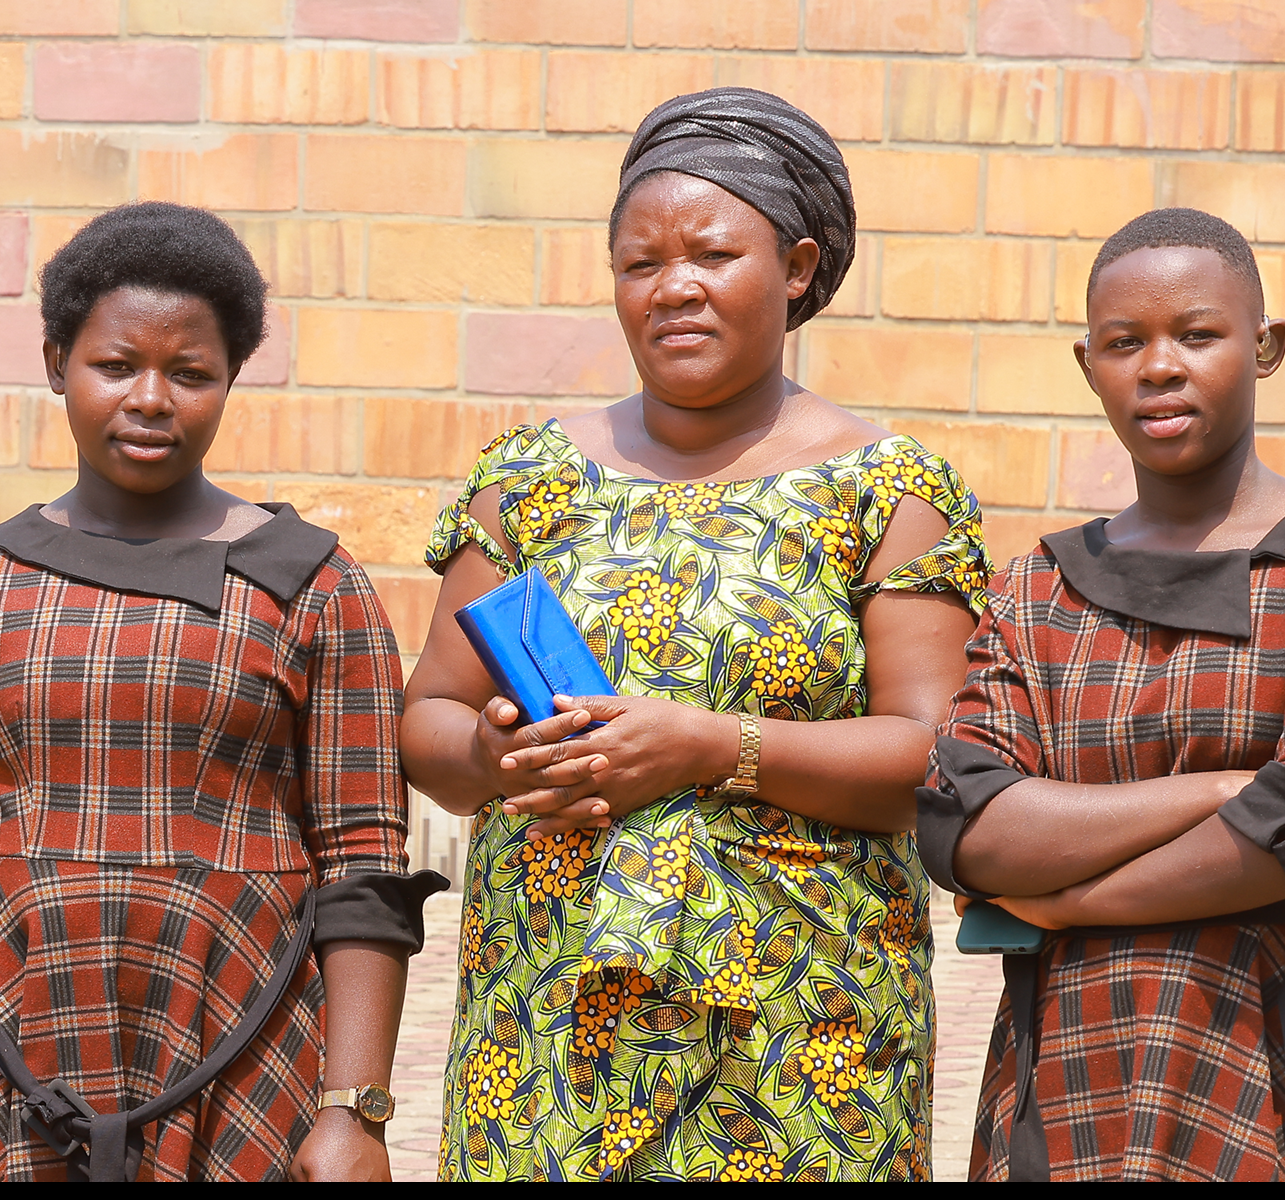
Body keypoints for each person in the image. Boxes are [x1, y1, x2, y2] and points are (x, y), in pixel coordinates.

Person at [400, 88, 990, 1181]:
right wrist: (494, 756)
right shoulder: (526, 484)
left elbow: (938, 759)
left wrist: (714, 748)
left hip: (800, 1046)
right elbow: (425, 718)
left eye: (711, 255)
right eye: (638, 263)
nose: (671, 287)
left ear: (799, 268)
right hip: (549, 1038)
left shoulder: (883, 491)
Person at [0, 201, 445, 1182]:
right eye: (113, 366)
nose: (150, 398)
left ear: (230, 380)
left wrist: (355, 1114)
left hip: (247, 1064)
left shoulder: (309, 586)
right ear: (55, 363)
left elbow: (359, 871)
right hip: (6, 1072)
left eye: (190, 374)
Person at [917, 208, 1285, 1181]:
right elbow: (962, 827)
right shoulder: (1042, 586)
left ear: (1264, 347)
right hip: (1066, 1065)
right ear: (1086, 364)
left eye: (1195, 334)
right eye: (1123, 343)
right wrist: (1217, 791)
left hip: (1280, 1062)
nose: (1157, 366)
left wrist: (1066, 899)